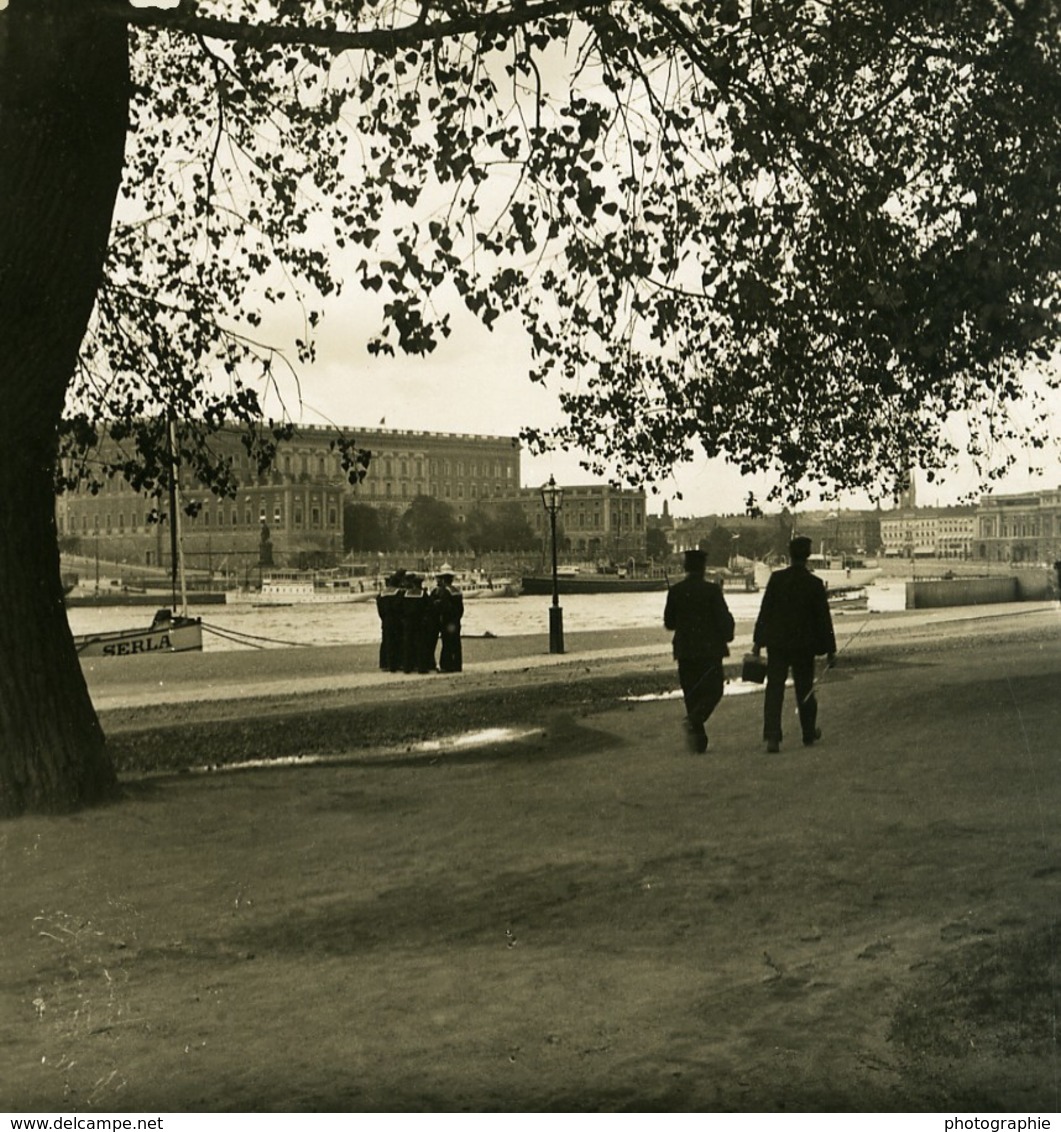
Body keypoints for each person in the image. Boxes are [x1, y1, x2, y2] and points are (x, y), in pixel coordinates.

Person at [752, 536, 837, 754]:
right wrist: (830, 650)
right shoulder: (814, 584)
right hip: (803, 646)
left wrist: (757, 642)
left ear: (790, 555)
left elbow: (765, 612)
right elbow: (823, 619)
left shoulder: (777, 579)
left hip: (777, 644)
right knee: (805, 689)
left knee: (774, 689)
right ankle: (808, 733)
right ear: (808, 555)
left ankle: (772, 737)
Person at [663, 548, 735, 753]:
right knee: (714, 690)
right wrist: (728, 634)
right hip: (710, 651)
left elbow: (669, 623)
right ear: (703, 568)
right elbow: (724, 620)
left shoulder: (675, 591)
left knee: (691, 694)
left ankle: (698, 741)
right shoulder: (712, 591)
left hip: (685, 650)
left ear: (686, 568)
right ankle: (694, 721)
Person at [431, 565, 464, 673]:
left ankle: (446, 665)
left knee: (447, 643)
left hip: (447, 621)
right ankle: (457, 665)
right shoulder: (457, 591)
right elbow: (461, 609)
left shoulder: (445, 591)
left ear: (444, 579)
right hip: (456, 621)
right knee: (456, 643)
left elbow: (443, 607)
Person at [375, 569, 406, 672]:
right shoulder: (399, 593)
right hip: (397, 620)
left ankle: (385, 663)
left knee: (386, 641)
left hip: (386, 620)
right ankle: (396, 663)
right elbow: (401, 608)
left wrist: (384, 618)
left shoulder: (382, 594)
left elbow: (380, 610)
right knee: (397, 641)